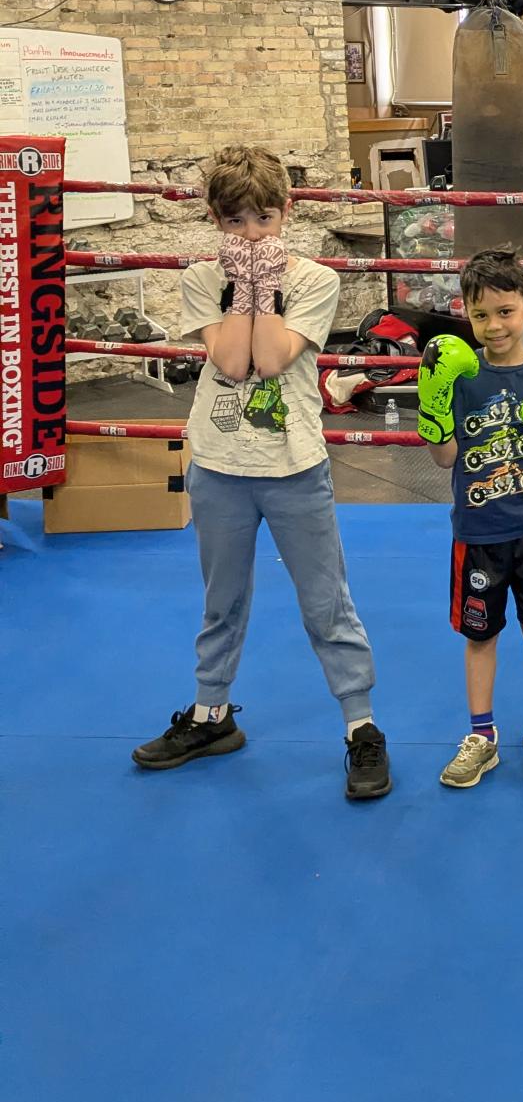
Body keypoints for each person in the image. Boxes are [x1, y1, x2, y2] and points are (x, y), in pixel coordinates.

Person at [132, 145, 391, 799]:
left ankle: (361, 727)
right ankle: (211, 716)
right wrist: (246, 284)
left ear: (288, 212)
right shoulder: (198, 277)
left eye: (263, 220)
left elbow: (272, 358)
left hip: (293, 466)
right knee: (222, 603)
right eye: (236, 222)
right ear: (216, 220)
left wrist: (262, 283)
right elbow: (232, 360)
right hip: (218, 467)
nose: (251, 235)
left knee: (326, 603)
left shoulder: (314, 280)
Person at [419, 248, 523, 790]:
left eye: (505, 311)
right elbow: (444, 458)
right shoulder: (460, 377)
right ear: (466, 313)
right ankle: (482, 736)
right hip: (477, 534)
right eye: (481, 314)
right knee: (480, 636)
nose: (494, 325)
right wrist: (434, 405)